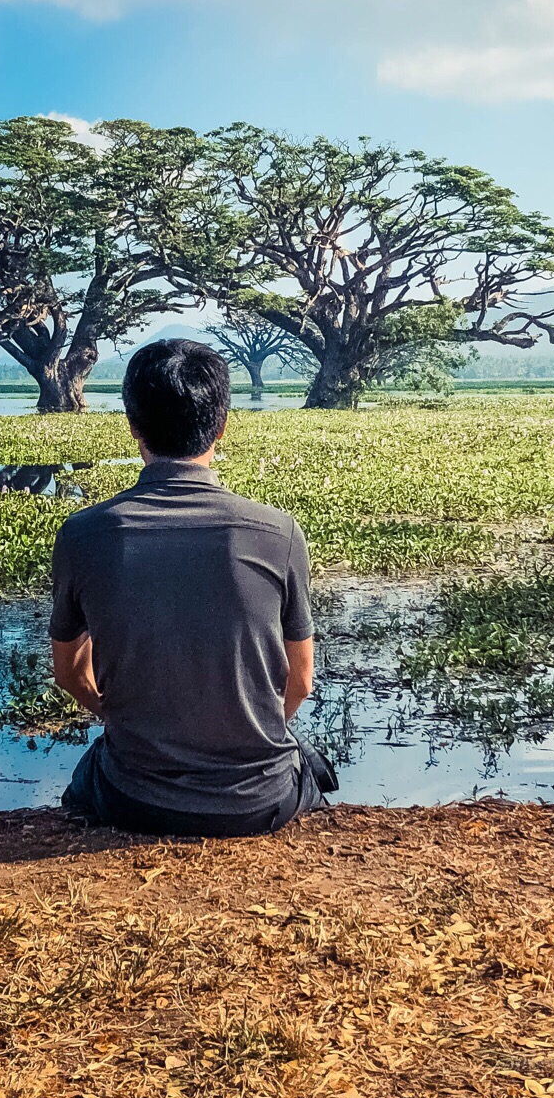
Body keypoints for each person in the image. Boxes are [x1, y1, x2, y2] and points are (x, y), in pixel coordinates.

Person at [50, 337, 338, 836]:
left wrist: (118, 717)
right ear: (221, 426)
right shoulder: (278, 532)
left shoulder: (84, 533)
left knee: (86, 777)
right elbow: (301, 681)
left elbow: (70, 673)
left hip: (134, 799)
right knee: (309, 761)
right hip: (261, 802)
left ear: (133, 426)